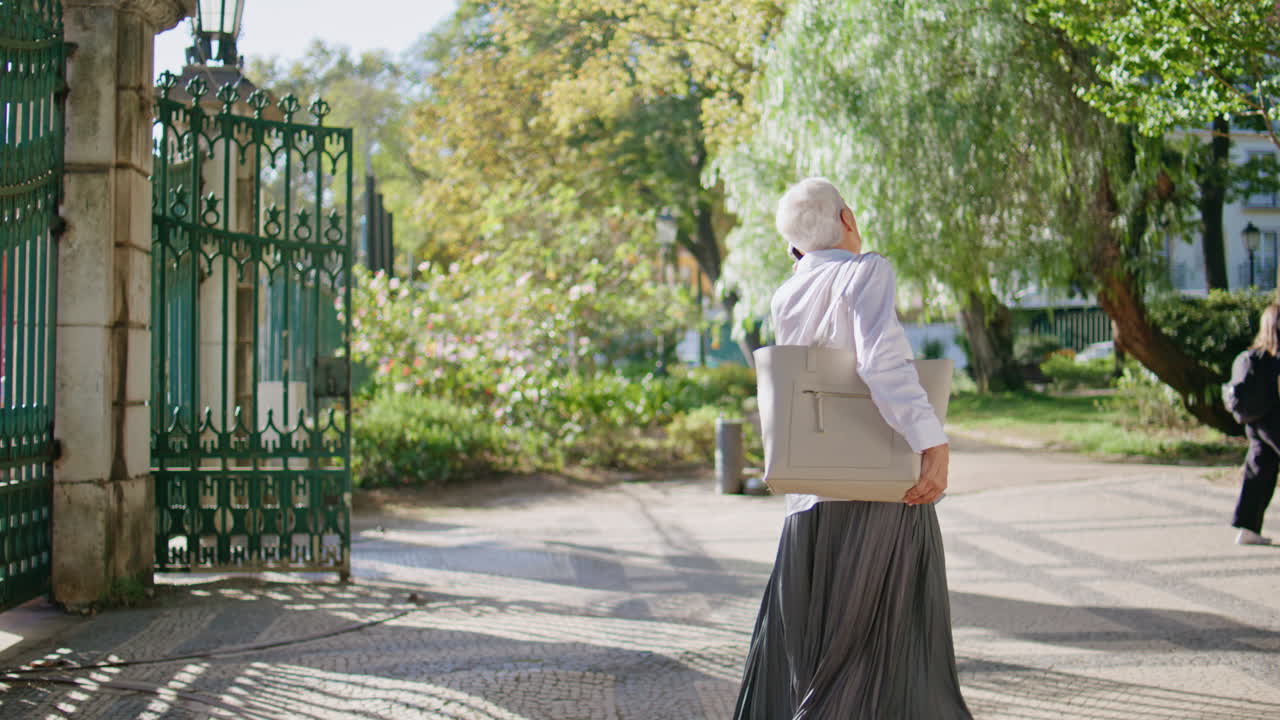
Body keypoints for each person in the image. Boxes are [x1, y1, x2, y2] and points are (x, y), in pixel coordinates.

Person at [733, 178, 972, 719]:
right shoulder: (866, 271)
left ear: (794, 243)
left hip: (812, 494)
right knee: (885, 653)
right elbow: (879, 362)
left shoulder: (787, 292)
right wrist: (932, 441)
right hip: (878, 487)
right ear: (847, 219)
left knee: (819, 647)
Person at [1230, 303, 1280, 546]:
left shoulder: (1254, 356)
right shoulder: (1275, 359)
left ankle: (1247, 528)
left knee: (1258, 472)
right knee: (1260, 472)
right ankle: (1248, 528)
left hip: (1255, 422)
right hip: (1275, 421)